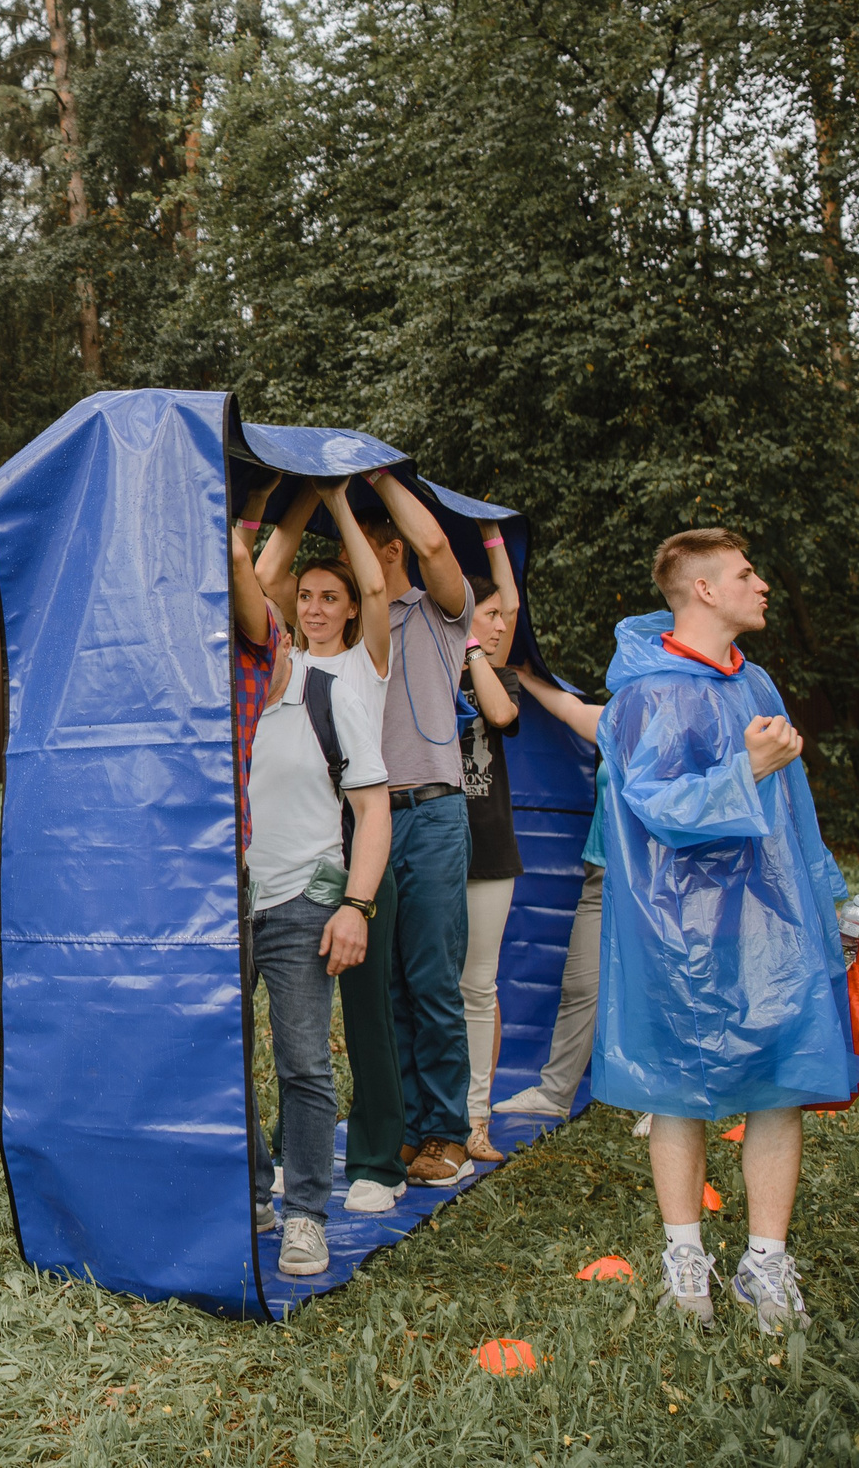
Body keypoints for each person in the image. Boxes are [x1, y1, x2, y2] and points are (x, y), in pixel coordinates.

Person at [598, 527, 853, 1333]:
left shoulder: (758, 682)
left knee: (782, 1079)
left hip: (770, 919)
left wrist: (832, 898)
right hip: (677, 925)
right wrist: (746, 768)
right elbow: (656, 806)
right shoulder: (650, 691)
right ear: (704, 589)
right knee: (678, 1084)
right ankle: (686, 1260)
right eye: (747, 572)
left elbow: (796, 811)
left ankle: (765, 1263)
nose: (762, 583)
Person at [252, 478, 409, 1229]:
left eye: (328, 596)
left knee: (346, 1029)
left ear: (348, 610)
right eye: (304, 595)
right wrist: (298, 501)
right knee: (242, 1043)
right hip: (265, 867)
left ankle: (365, 1168)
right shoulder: (266, 673)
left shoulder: (359, 669)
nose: (314, 606)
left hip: (342, 858)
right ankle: (268, 1176)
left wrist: (336, 499)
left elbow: (375, 585)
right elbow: (255, 581)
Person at [356, 466, 480, 1187]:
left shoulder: (440, 614)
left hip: (432, 811)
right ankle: (403, 1126)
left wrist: (377, 478)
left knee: (432, 977)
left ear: (389, 553)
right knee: (388, 982)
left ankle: (446, 1131)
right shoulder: (352, 626)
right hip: (371, 818)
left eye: (361, 555)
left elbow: (433, 544)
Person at [496, 665, 605, 1123]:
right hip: (604, 874)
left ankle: (667, 1105)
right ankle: (555, 1093)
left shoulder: (687, 726)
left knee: (664, 993)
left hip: (660, 883)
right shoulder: (624, 720)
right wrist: (525, 672)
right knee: (582, 984)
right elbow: (569, 709)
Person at [453, 548, 522, 1165]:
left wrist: (474, 649)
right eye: (490, 615)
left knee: (478, 985)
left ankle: (476, 1118)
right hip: (427, 844)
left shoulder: (501, 678)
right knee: (429, 987)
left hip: (490, 852)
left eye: (502, 616)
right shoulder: (422, 664)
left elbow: (499, 714)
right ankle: (429, 1115)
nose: (502, 625)